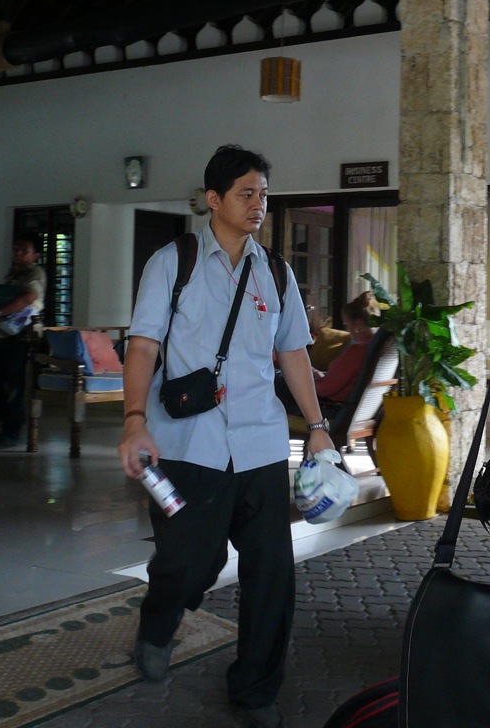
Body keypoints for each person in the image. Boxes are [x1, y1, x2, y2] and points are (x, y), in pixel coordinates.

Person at [118, 144, 334, 728]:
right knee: (189, 560)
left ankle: (256, 689)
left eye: (263, 193)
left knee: (271, 575)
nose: (258, 204)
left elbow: (291, 351)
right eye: (246, 193)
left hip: (261, 444)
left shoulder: (277, 272)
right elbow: (143, 346)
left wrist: (316, 428)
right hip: (188, 445)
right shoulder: (173, 263)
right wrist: (134, 419)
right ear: (213, 199)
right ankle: (158, 623)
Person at [0, 233, 45, 449]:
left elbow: (28, 298)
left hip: (21, 341)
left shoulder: (35, 274)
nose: (17, 253)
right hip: (0, 337)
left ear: (35, 255)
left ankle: (11, 432)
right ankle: (10, 424)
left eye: (23, 250)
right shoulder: (13, 274)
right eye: (15, 249)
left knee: (16, 389)